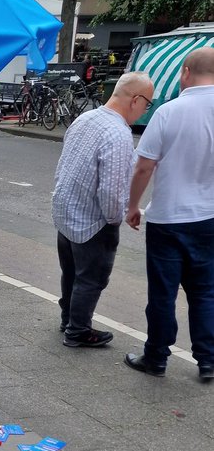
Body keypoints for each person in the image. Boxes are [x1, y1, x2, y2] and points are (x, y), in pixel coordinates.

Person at [124, 47, 214, 381]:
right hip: (209, 220)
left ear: (186, 73)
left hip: (168, 219)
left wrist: (133, 207)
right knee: (205, 292)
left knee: (163, 294)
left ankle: (156, 358)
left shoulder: (168, 112)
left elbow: (144, 167)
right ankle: (208, 361)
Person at [52, 71, 155, 347]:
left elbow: (63, 167)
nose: (146, 111)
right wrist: (114, 220)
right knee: (91, 279)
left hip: (66, 214)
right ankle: (78, 331)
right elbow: (111, 192)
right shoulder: (118, 134)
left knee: (71, 273)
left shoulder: (85, 118)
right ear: (135, 100)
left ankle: (68, 320)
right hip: (93, 223)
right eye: (148, 104)